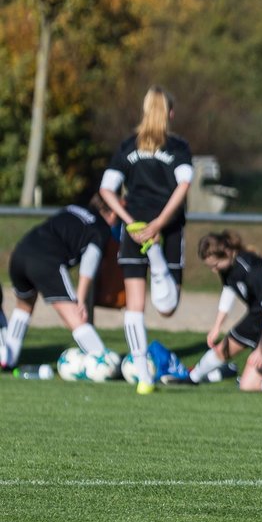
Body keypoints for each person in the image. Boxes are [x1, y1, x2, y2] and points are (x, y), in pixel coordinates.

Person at [98, 85, 191, 395]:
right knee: (166, 307)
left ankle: (143, 377)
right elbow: (185, 184)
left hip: (137, 230)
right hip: (166, 230)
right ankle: (143, 376)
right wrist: (158, 225)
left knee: (135, 307)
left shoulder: (127, 146)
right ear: (171, 113)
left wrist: (131, 224)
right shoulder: (178, 147)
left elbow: (106, 190)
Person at [3, 195, 119, 368]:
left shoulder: (73, 207)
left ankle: (7, 359)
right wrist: (80, 299)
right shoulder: (101, 228)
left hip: (20, 253)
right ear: (111, 212)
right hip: (46, 260)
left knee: (24, 305)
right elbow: (90, 262)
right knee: (74, 315)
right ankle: (103, 362)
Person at [188, 230, 262, 393]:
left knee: (248, 386)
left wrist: (261, 350)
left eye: (215, 265)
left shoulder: (252, 269)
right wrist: (217, 327)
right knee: (222, 350)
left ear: (228, 252)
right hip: (257, 317)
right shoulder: (228, 267)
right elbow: (229, 291)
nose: (214, 271)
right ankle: (191, 378)